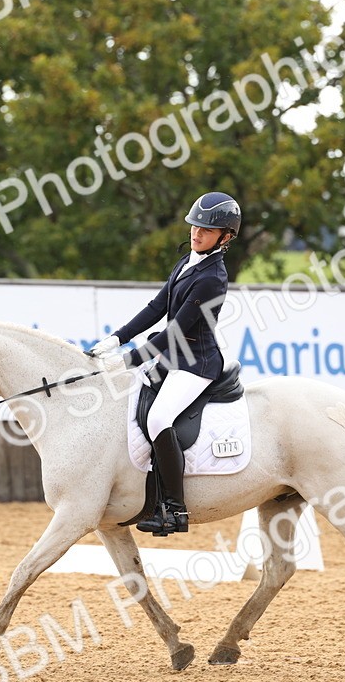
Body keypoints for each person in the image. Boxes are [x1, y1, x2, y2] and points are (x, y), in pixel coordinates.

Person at [89, 191, 241, 536]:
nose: (196, 234)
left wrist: (129, 360)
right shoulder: (188, 261)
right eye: (194, 227)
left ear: (225, 237)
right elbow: (157, 308)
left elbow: (176, 331)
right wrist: (117, 337)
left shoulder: (212, 277)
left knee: (159, 418)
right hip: (173, 358)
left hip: (196, 364)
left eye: (206, 230)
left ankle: (174, 508)